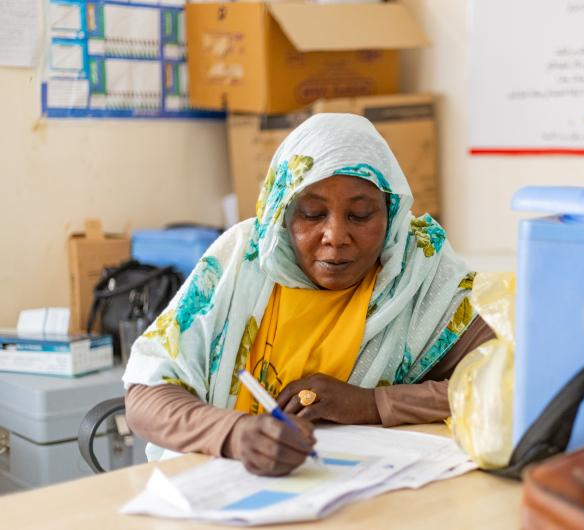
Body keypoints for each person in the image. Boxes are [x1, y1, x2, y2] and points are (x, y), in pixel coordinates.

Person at [123, 114, 494, 477]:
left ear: (391, 213)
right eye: (313, 214)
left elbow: (512, 379)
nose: (335, 235)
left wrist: (370, 404)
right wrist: (233, 434)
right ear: (282, 213)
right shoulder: (241, 261)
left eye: (361, 215)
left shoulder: (418, 270)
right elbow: (145, 392)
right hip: (212, 491)